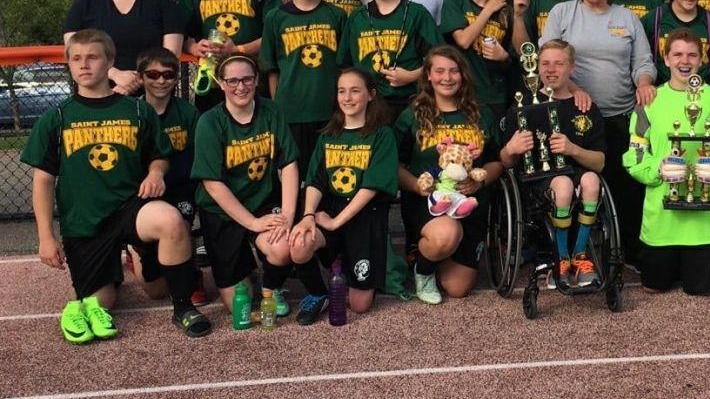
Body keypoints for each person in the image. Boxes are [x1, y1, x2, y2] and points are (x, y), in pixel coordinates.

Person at [21, 29, 211, 342]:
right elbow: (43, 180)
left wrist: (155, 174)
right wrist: (45, 237)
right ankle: (115, 271)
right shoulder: (56, 117)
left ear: (109, 61)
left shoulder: (136, 110)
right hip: (85, 221)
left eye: (92, 57)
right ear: (68, 64)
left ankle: (183, 308)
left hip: (129, 207)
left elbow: (159, 156)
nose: (84, 65)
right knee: (102, 302)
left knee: (163, 257)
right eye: (76, 58)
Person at [539, 0, 657, 264]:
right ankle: (569, 252)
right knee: (572, 186)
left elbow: (643, 62)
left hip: (619, 116)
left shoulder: (626, 18)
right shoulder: (563, 13)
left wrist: (644, 82)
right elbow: (549, 59)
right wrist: (577, 92)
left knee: (624, 189)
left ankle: (623, 252)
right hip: (572, 116)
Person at [393, 46, 522, 303]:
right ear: (428, 75)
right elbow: (395, 166)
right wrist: (418, 186)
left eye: (454, 71)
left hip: (470, 204)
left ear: (463, 75)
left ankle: (436, 253)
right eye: (439, 71)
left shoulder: (481, 113)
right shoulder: (413, 116)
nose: (447, 78)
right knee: (445, 235)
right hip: (430, 204)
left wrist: (479, 179)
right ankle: (424, 268)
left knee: (457, 288)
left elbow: (498, 162)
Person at [623, 29, 710, 295]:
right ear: (665, 60)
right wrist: (657, 169)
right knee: (654, 289)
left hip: (707, 226)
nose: (684, 61)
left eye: (691, 55)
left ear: (701, 60)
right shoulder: (649, 101)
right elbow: (635, 156)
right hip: (661, 224)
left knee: (702, 292)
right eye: (677, 54)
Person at [191, 54, 298, 318]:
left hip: (261, 200)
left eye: (247, 79)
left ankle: (271, 287)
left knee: (284, 247)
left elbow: (289, 165)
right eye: (233, 80)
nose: (241, 87)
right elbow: (213, 184)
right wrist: (251, 223)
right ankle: (247, 269)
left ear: (257, 80)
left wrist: (287, 217)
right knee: (238, 302)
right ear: (221, 83)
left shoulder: (272, 111)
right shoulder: (210, 121)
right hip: (222, 211)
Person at [289, 68, 400, 321]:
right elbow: (316, 182)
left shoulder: (382, 135)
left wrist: (337, 223)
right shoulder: (329, 136)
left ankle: (350, 263)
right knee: (299, 244)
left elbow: (370, 187)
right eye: (342, 91)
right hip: (330, 210)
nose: (347, 98)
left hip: (364, 217)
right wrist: (307, 215)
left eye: (355, 91)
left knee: (359, 305)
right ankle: (320, 294)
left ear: (371, 95)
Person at [500, 40, 608, 287]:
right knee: (562, 184)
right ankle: (561, 258)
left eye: (558, 63)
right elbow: (504, 160)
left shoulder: (585, 107)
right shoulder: (523, 105)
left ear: (571, 67)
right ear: (536, 66)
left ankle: (579, 257)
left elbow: (600, 162)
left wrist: (573, 149)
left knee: (592, 180)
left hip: (577, 173)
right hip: (539, 183)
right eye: (544, 63)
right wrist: (511, 149)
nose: (551, 69)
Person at [126, 46, 208, 307]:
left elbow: (196, 157)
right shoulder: (130, 112)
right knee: (156, 292)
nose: (161, 80)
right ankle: (135, 251)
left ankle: (190, 275)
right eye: (152, 74)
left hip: (179, 188)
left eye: (168, 75)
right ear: (140, 77)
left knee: (182, 226)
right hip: (144, 191)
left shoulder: (187, 113)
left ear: (175, 78)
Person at [261, 0, 347, 175]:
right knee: (291, 174)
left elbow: (344, 67)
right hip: (290, 111)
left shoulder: (336, 15)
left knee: (324, 174)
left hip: (327, 110)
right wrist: (277, 109)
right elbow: (272, 70)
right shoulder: (276, 17)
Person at [63, 0, 183, 95]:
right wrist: (114, 75)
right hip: (97, 94)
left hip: (153, 95)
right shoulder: (84, 5)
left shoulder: (163, 4)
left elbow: (171, 56)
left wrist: (134, 82)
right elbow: (72, 51)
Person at [337, 0, 443, 122]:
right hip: (368, 106)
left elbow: (440, 59)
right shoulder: (358, 17)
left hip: (409, 103)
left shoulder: (416, 13)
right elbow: (344, 65)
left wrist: (412, 75)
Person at [440, 0, 515, 123]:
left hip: (495, 95)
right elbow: (464, 41)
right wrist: (488, 10)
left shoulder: (506, 10)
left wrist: (503, 56)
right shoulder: (454, 0)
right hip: (461, 93)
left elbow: (513, 56)